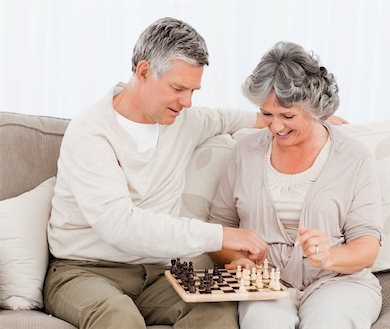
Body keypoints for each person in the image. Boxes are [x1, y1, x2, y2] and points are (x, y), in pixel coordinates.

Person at [43, 17, 269, 329]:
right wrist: (220, 235)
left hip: (157, 273)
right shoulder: (91, 133)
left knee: (216, 313)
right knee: (119, 320)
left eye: (193, 90)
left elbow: (226, 118)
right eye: (178, 88)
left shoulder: (184, 121)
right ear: (144, 71)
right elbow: (120, 225)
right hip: (84, 271)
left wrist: (298, 119)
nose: (187, 102)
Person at [209, 41, 383, 329]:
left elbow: (367, 246)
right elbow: (219, 229)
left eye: (287, 116)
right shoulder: (245, 152)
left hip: (339, 283)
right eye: (267, 114)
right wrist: (241, 261)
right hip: (265, 283)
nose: (276, 127)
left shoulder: (355, 158)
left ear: (315, 109)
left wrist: (330, 256)